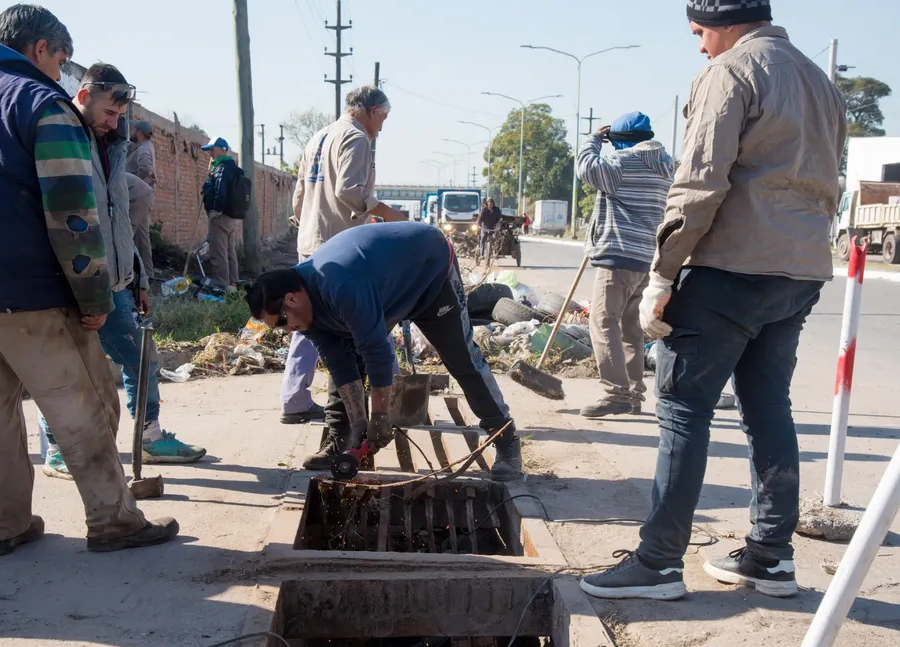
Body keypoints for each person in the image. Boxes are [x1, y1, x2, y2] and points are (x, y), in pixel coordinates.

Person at [580, 0, 846, 601]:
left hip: (728, 269)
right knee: (767, 406)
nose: (699, 46)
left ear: (724, 24)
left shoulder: (730, 72)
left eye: (700, 32)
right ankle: (770, 557)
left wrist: (662, 274)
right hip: (798, 271)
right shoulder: (818, 81)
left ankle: (657, 565)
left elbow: (699, 182)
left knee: (681, 407)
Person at [0, 4, 177, 555]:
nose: (63, 73)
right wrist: (94, 295)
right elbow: (73, 214)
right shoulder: (43, 104)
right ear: (40, 50)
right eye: (62, 60)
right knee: (86, 403)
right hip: (31, 291)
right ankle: (114, 521)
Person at [248, 223, 523, 482]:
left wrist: (379, 417)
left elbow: (378, 354)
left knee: (460, 357)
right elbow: (339, 363)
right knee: (346, 355)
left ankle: (505, 438)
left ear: (291, 299)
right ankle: (341, 439)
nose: (288, 331)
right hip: (386, 290)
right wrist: (359, 423)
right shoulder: (302, 312)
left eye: (283, 322)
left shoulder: (341, 285)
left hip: (429, 270)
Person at [39, 63, 206, 480]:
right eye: (108, 113)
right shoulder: (63, 143)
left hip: (114, 282)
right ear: (83, 96)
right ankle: (58, 448)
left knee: (143, 358)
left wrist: (139, 279)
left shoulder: (112, 149)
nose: (114, 123)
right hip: (73, 283)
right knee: (67, 369)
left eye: (119, 116)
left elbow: (120, 224)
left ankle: (148, 437)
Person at [280, 86, 407, 425]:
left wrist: (307, 222)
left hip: (310, 238)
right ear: (371, 110)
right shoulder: (356, 138)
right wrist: (388, 214)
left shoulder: (318, 137)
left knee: (307, 321)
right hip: (339, 247)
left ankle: (294, 399)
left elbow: (298, 196)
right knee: (366, 316)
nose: (381, 127)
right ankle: (393, 397)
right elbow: (349, 190)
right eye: (383, 118)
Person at [577, 112, 674, 419]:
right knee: (630, 326)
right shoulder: (665, 166)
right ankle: (633, 394)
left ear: (617, 141)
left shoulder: (621, 165)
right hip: (648, 259)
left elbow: (585, 168)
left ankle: (616, 393)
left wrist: (593, 139)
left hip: (619, 256)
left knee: (603, 321)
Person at [201, 137, 248, 287]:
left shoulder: (221, 168)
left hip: (220, 216)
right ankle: (233, 284)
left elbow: (220, 190)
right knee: (229, 252)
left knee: (218, 253)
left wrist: (216, 209)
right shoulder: (233, 168)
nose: (210, 153)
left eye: (212, 149)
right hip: (231, 217)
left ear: (222, 149)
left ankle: (221, 285)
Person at [126, 119, 156, 276]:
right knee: (141, 236)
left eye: (133, 129)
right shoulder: (144, 147)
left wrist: (135, 183)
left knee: (136, 235)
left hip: (139, 196)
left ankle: (144, 274)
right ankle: (145, 273)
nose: (131, 132)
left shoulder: (143, 149)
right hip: (144, 195)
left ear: (138, 132)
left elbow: (145, 168)